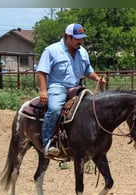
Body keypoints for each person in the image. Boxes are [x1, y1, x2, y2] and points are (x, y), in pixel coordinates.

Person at [36, 23, 106, 157]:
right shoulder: (51, 50)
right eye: (77, 38)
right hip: (58, 86)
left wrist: (97, 78)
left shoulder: (83, 52)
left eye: (82, 38)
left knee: (92, 107)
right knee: (56, 108)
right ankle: (48, 143)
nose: (81, 41)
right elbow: (41, 71)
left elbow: (87, 70)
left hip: (77, 86)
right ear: (68, 37)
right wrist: (43, 91)